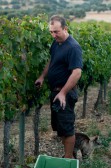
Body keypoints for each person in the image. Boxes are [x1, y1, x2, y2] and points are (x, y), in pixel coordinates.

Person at [35, 15, 83, 159]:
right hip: (56, 93)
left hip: (65, 95)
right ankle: (68, 155)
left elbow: (77, 73)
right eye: (51, 32)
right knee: (61, 128)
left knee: (67, 129)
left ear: (65, 28)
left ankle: (68, 160)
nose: (53, 35)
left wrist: (62, 92)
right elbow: (52, 61)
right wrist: (42, 77)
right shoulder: (56, 43)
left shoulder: (73, 47)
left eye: (56, 32)